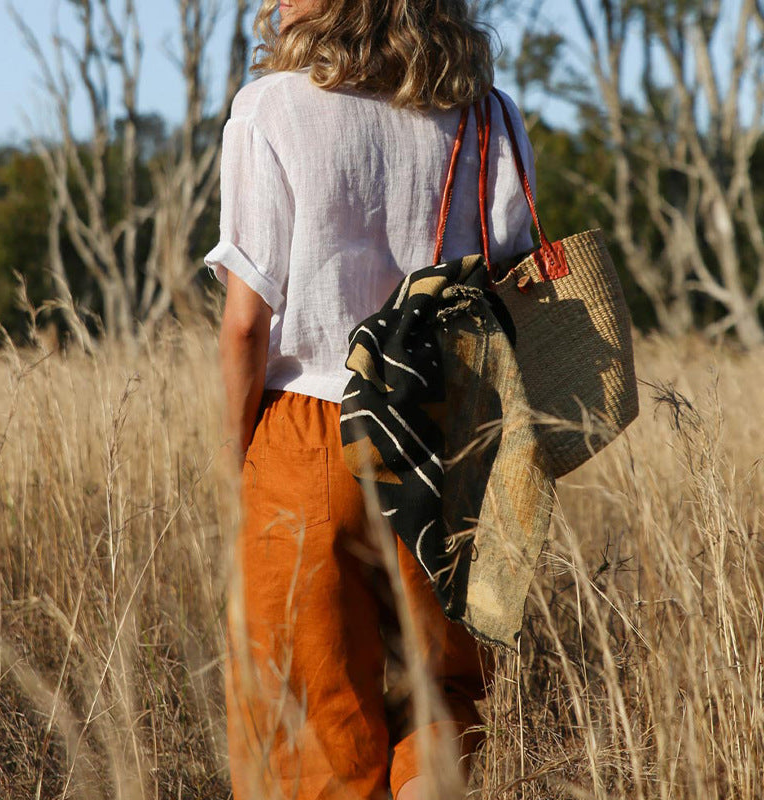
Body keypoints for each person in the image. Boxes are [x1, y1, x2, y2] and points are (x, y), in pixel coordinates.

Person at [205, 1, 536, 797]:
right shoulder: (489, 114)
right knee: (444, 702)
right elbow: (519, 284)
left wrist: (234, 464)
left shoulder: (270, 109)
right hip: (450, 430)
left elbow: (246, 324)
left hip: (307, 430)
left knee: (311, 720)